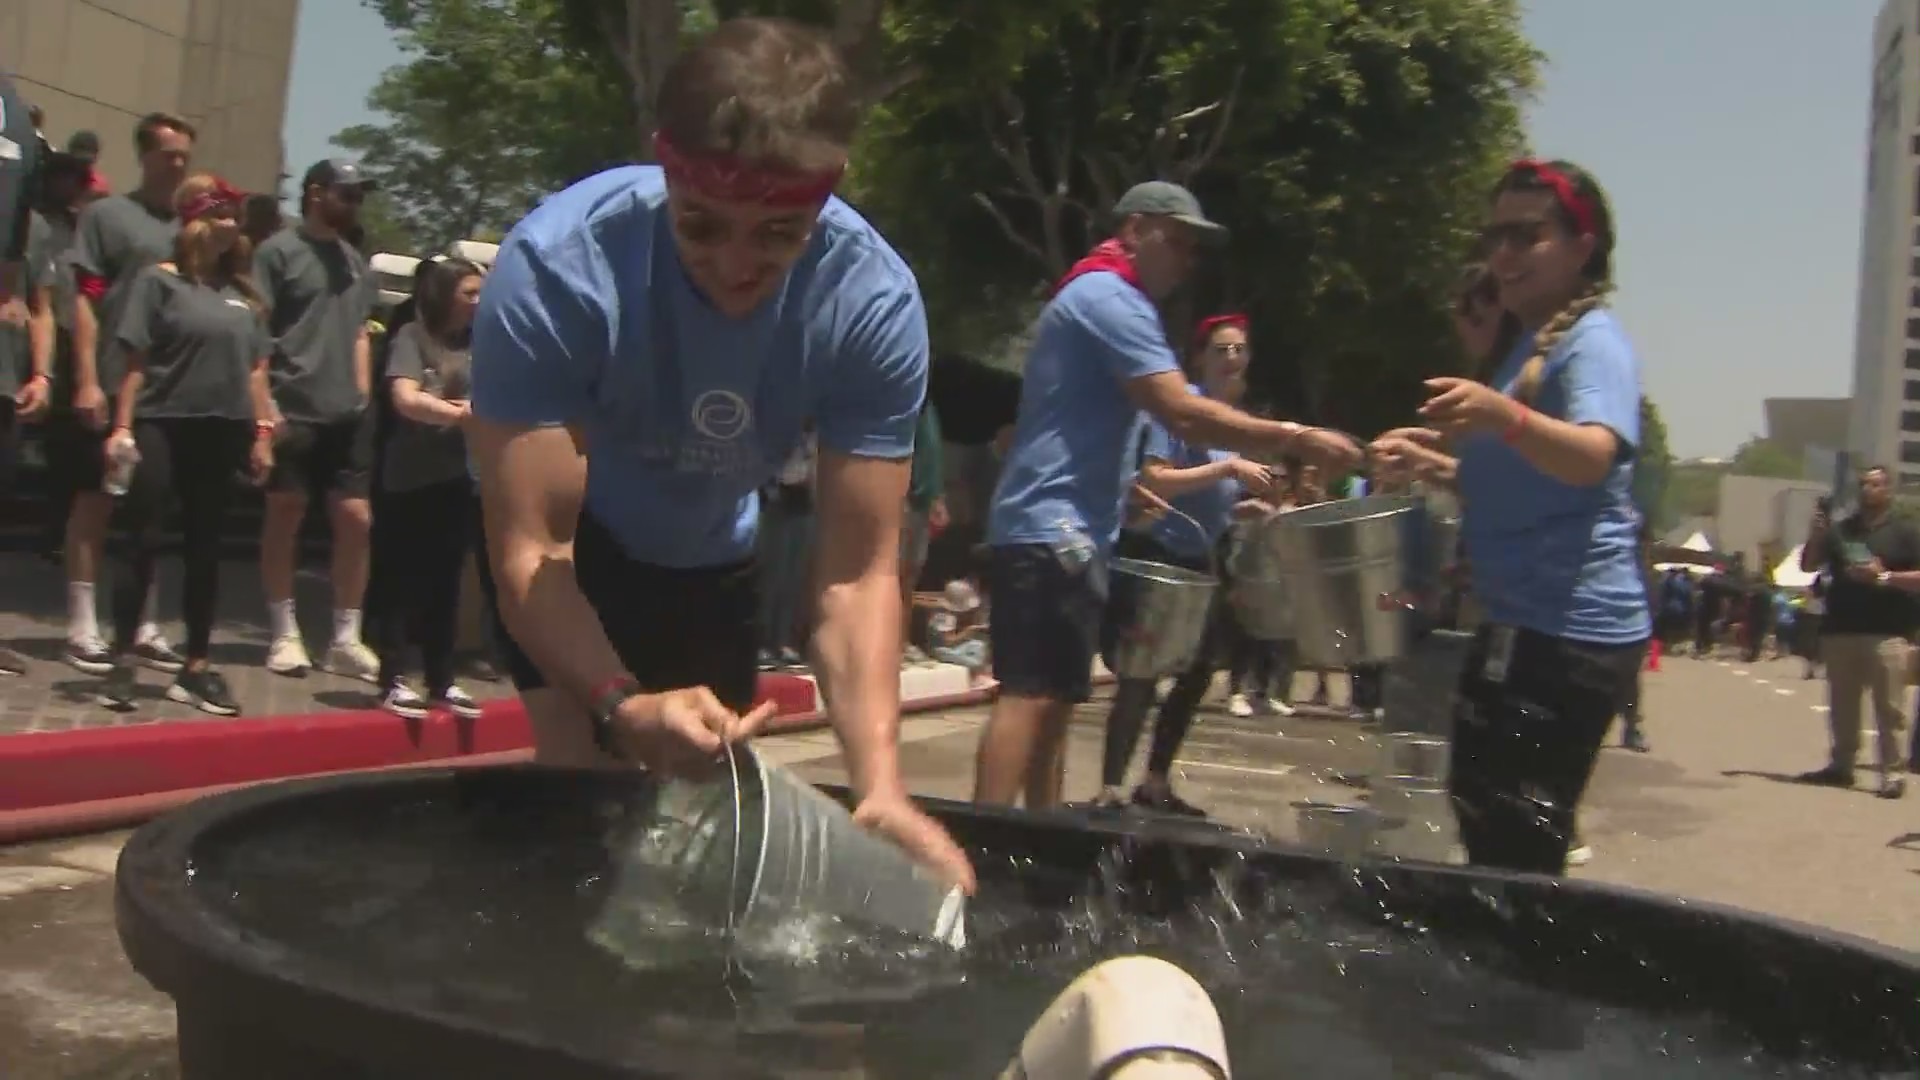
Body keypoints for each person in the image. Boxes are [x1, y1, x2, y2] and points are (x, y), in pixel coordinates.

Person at [467, 17, 972, 891]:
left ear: (826, 196)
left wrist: (881, 783)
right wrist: (620, 706)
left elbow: (856, 573)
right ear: (666, 174)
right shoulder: (557, 268)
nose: (735, 264)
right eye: (702, 226)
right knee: (583, 825)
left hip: (713, 553)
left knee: (704, 862)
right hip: (580, 553)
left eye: (777, 235)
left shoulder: (872, 301)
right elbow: (530, 553)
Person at [974, 181, 1360, 810]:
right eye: (1175, 239)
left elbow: (1078, 422)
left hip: (1073, 529)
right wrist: (1295, 435)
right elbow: (1183, 413)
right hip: (1052, 528)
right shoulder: (1110, 298)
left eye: (1192, 247)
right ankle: (986, 843)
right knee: (1029, 693)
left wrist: (1124, 490)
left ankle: (1038, 838)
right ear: (1133, 230)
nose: (1185, 258)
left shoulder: (1100, 295)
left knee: (1059, 696)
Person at [1372, 158, 1649, 874]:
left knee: (1517, 843)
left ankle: (1527, 975)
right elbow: (1524, 483)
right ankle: (1503, 966)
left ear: (1583, 245)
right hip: (1521, 625)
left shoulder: (1595, 343)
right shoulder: (1531, 345)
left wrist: (1505, 415)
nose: (1503, 254)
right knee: (1482, 813)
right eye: (1495, 236)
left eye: (1527, 235)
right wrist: (1433, 465)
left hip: (1569, 636)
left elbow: (1592, 456)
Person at [97, 175, 276, 714]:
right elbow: (135, 363)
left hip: (222, 428)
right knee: (144, 539)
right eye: (221, 215)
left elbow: (256, 371)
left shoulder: (244, 297)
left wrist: (263, 430)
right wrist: (122, 428)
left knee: (207, 549)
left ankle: (195, 665)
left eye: (236, 218)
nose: (231, 226)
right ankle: (124, 658)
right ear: (197, 221)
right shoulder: (158, 282)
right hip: (162, 422)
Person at [1094, 314, 1274, 817]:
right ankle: (1110, 788)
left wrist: (1243, 507)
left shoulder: (1226, 422)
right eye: (1221, 350)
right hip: (1159, 555)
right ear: (1200, 359)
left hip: (1203, 558)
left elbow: (1207, 498)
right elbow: (1158, 480)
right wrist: (1229, 468)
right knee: (1141, 675)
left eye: (1239, 349)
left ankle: (1155, 780)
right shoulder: (1179, 412)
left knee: (1197, 673)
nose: (1232, 359)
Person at [59, 112, 197, 678]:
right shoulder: (106, 217)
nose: (180, 164)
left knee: (154, 507)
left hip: (169, 391)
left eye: (186, 154)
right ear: (145, 155)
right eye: (170, 154)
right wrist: (89, 378)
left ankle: (142, 624)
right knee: (96, 499)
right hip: (114, 378)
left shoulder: (193, 227)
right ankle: (82, 623)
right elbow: (85, 300)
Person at [253, 158, 382, 682]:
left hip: (345, 413)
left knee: (356, 519)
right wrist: (265, 411)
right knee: (287, 511)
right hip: (291, 404)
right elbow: (257, 330)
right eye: (344, 194)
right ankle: (284, 633)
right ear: (314, 193)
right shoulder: (277, 252)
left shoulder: (354, 260)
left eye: (358, 196)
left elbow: (358, 332)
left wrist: (363, 392)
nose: (353, 205)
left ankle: (345, 638)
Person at [370, 256, 486, 720]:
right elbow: (404, 397)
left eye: (482, 293)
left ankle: (442, 679)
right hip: (407, 477)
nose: (479, 302)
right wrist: (460, 413)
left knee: (446, 581)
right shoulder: (411, 338)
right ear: (445, 295)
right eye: (469, 293)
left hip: (457, 475)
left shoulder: (482, 344)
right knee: (399, 578)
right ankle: (393, 678)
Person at [1796, 467, 1920, 798]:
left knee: (1889, 707)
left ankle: (1892, 774)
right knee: (1842, 704)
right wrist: (1817, 533)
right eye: (1863, 484)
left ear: (1889, 491)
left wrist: (1884, 577)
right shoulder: (1842, 531)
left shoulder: (1906, 531)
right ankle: (1841, 766)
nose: (1867, 490)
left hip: (1888, 632)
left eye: (1875, 484)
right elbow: (1808, 565)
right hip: (1841, 628)